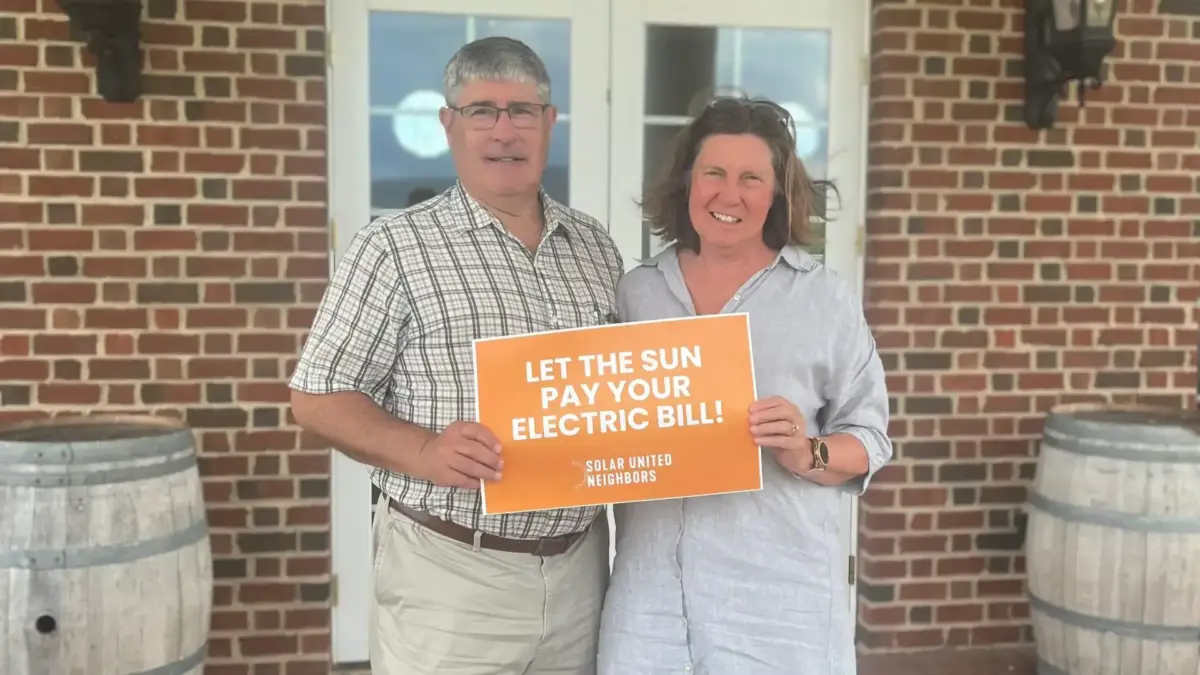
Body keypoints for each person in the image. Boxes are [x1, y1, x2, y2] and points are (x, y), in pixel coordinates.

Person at [289, 36, 623, 675]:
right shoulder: (393, 247)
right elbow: (317, 395)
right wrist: (423, 450)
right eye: (482, 111)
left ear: (550, 123)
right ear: (449, 124)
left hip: (582, 566)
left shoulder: (595, 248)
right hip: (450, 574)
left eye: (523, 110)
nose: (505, 130)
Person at [596, 97, 893, 675]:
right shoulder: (636, 294)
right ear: (688, 182)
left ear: (777, 194)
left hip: (779, 604)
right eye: (714, 173)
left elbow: (870, 440)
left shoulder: (822, 297)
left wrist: (807, 449)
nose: (728, 195)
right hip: (647, 601)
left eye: (750, 178)